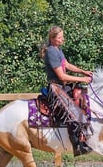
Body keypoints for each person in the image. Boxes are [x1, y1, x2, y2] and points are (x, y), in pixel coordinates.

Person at [40, 26, 93, 156]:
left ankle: (83, 135)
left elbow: (67, 65)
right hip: (56, 89)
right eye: (60, 37)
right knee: (73, 112)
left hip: (63, 87)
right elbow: (62, 76)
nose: (63, 39)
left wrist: (83, 71)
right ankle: (77, 145)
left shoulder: (58, 49)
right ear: (52, 39)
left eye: (62, 36)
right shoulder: (51, 52)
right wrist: (82, 79)